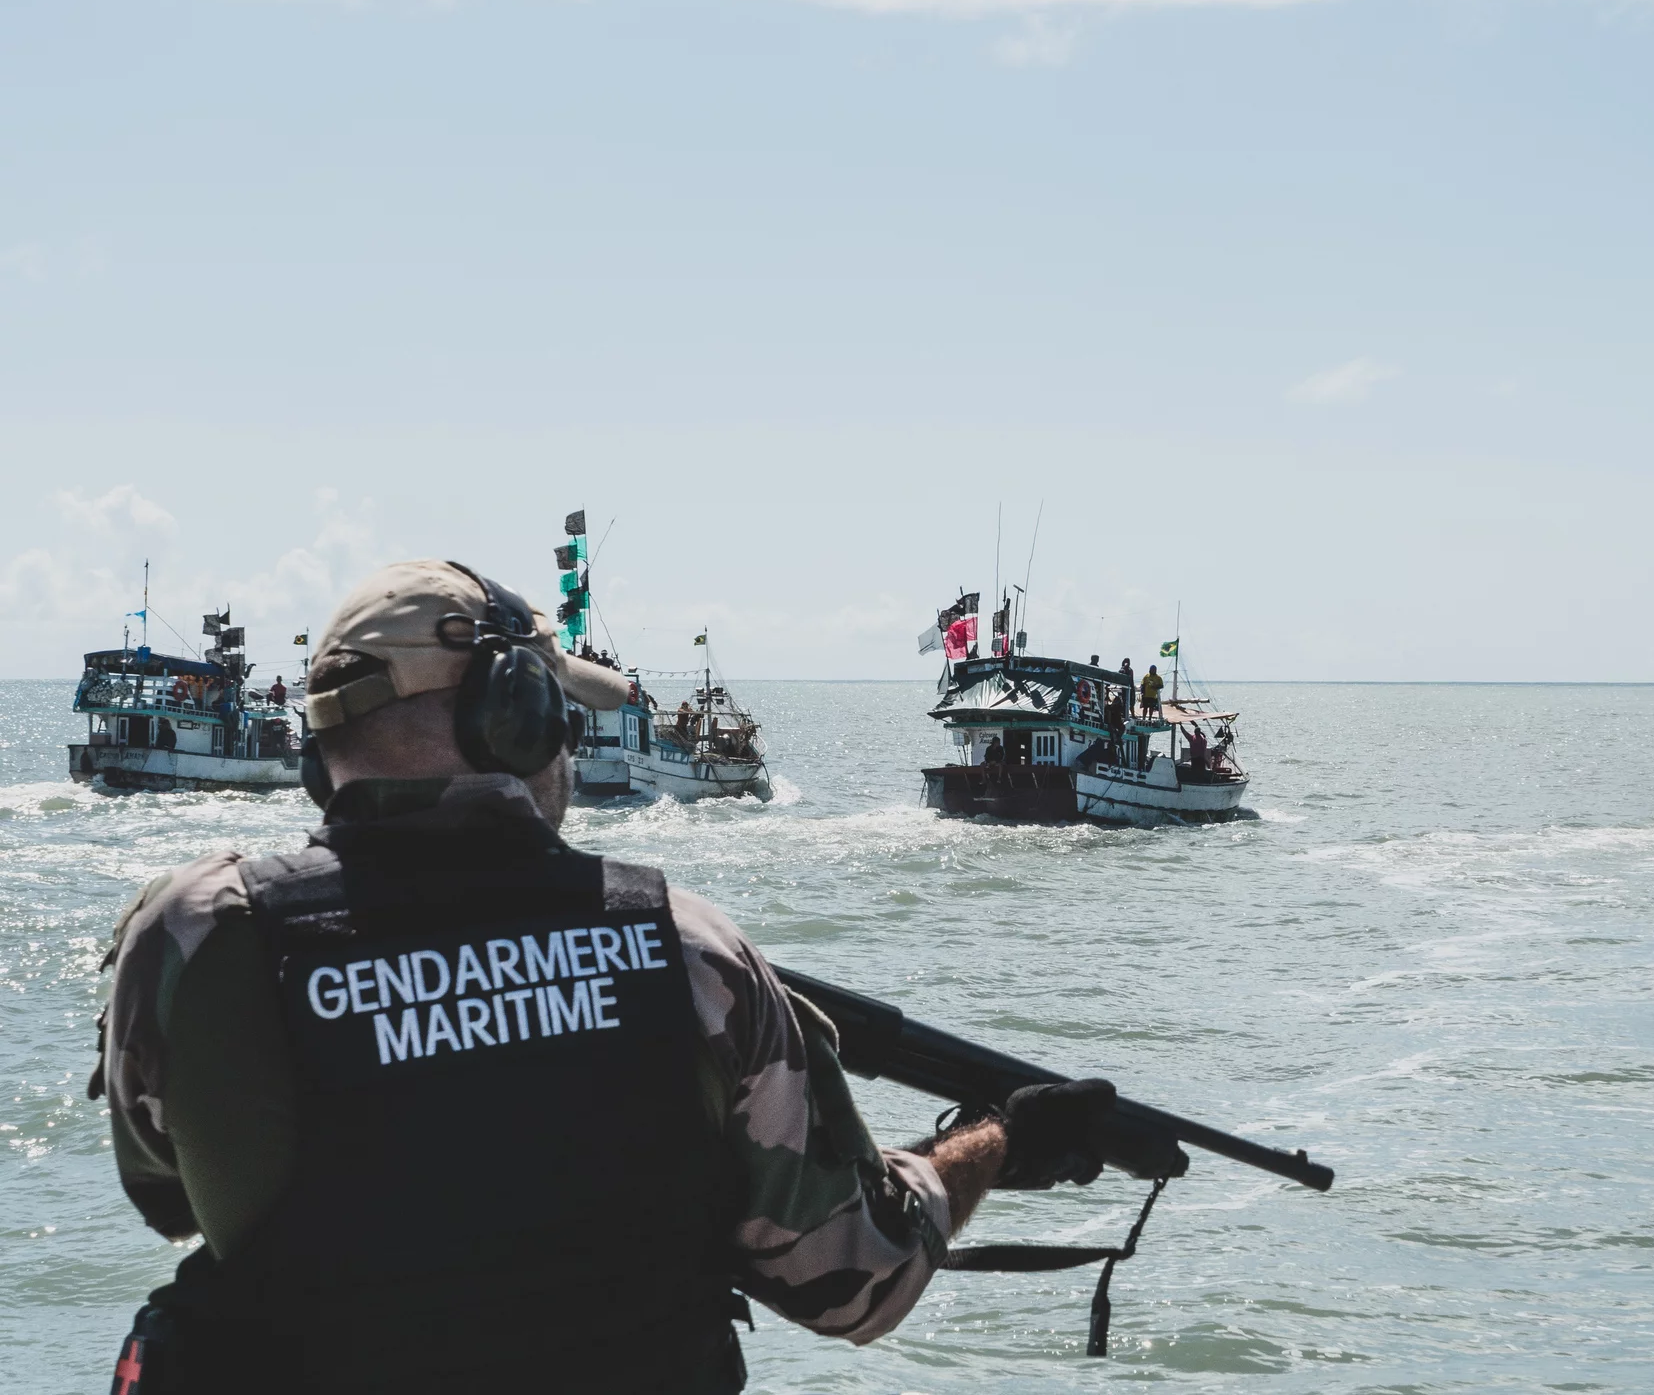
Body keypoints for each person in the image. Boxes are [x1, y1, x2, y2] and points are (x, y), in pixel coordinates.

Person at [94, 559, 1112, 1395]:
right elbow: (851, 1283)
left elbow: (169, 1197)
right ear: (521, 718)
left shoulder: (194, 935)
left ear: (320, 751)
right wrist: (993, 1143)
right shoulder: (688, 951)